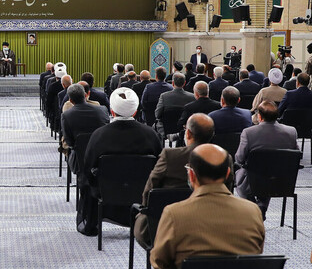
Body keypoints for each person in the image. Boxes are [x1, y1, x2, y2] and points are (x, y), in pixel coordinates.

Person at [135, 143, 265, 269]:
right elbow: (256, 257)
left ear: (191, 175)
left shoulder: (174, 213)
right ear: (228, 174)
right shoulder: (253, 211)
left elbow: (159, 263)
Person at [134, 114, 230, 247]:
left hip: (167, 226)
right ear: (212, 135)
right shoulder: (224, 157)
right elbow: (228, 191)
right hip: (212, 225)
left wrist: (145, 209)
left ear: (188, 134)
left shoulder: (170, 155)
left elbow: (150, 187)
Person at [81, 88, 162, 235]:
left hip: (107, 193)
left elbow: (87, 167)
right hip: (142, 193)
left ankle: (92, 224)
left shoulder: (99, 135)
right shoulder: (151, 134)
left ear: (112, 111)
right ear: (135, 112)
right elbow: (160, 167)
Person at [235, 101, 298, 218]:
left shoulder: (249, 133)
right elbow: (296, 156)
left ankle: (253, 208)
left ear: (259, 116)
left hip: (253, 182)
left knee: (247, 173)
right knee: (269, 170)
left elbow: (239, 158)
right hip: (282, 182)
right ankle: (262, 206)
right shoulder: (291, 132)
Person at [61, 83, 109, 174]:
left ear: (70, 100)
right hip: (100, 157)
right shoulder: (102, 110)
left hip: (78, 161)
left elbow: (70, 142)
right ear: (86, 95)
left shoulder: (66, 115)